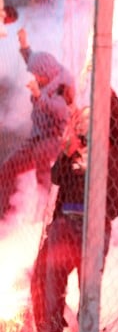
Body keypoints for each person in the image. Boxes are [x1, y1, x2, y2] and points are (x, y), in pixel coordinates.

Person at [29, 90, 118, 332]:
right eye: (80, 122)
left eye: (90, 119)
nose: (83, 125)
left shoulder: (111, 147)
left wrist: (109, 95)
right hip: (65, 224)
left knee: (89, 285)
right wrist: (68, 150)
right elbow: (56, 176)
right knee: (53, 280)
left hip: (95, 227)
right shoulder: (72, 149)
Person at [0, 28, 75, 219]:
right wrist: (24, 46)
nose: (35, 78)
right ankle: (7, 212)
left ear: (46, 72)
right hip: (37, 136)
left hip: (56, 138)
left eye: (38, 75)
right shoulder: (44, 74)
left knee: (42, 154)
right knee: (8, 167)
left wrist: (38, 95)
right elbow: (33, 59)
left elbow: (60, 110)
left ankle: (45, 202)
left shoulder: (61, 86)